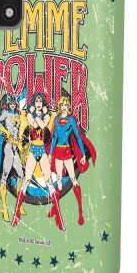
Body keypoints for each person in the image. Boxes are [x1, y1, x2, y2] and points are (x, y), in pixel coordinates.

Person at [11, 93, 65, 230]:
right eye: (36, 101)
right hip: (33, 150)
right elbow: (34, 124)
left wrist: (35, 114)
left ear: (43, 103)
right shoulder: (32, 115)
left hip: (42, 151)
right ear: (34, 103)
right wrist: (35, 115)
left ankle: (59, 218)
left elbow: (42, 124)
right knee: (26, 180)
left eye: (40, 101)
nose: (39, 103)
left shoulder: (45, 116)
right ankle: (16, 215)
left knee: (49, 182)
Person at [48, 96, 96, 226]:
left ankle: (80, 213)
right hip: (58, 152)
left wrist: (83, 155)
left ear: (68, 106)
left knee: (74, 179)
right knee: (59, 182)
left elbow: (78, 137)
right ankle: (57, 212)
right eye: (61, 104)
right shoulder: (56, 119)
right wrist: (51, 153)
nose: (63, 106)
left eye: (65, 104)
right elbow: (54, 138)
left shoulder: (71, 119)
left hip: (67, 152)